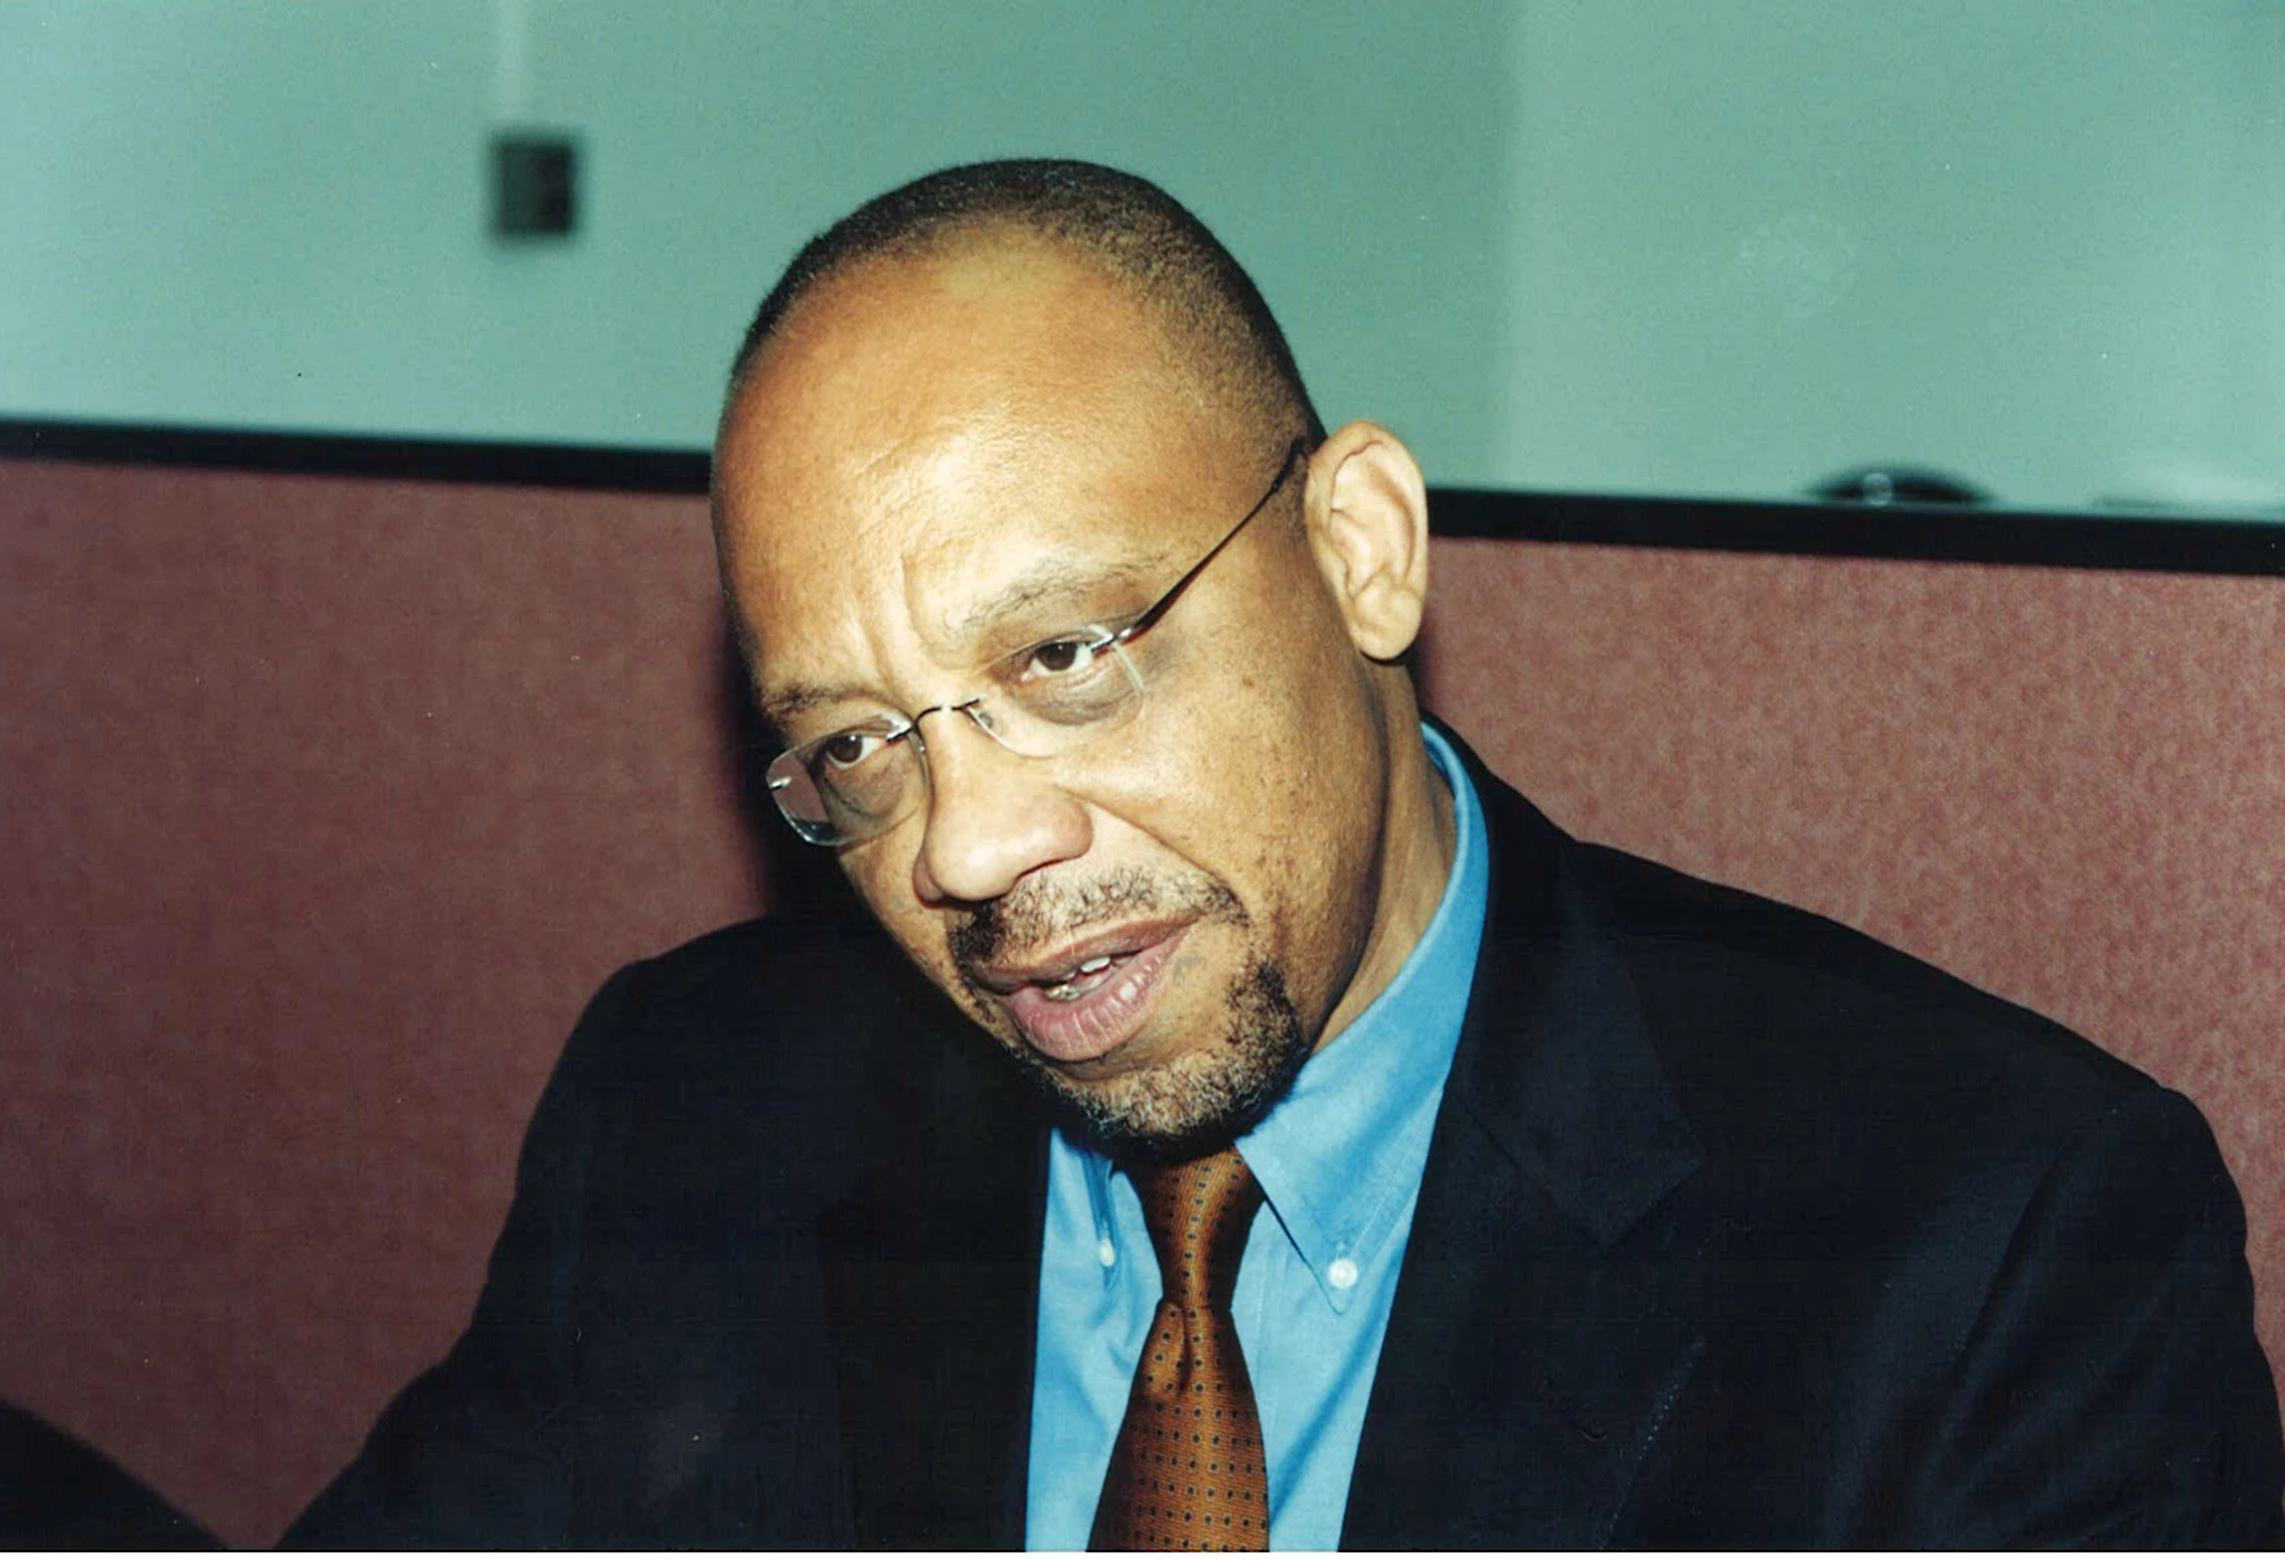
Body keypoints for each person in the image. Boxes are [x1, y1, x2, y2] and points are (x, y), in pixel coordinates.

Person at [287, 159, 2282, 1549]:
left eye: (1066, 653)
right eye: (855, 749)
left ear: (1360, 549)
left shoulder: (1991, 1239)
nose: (972, 849)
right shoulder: (695, 1118)